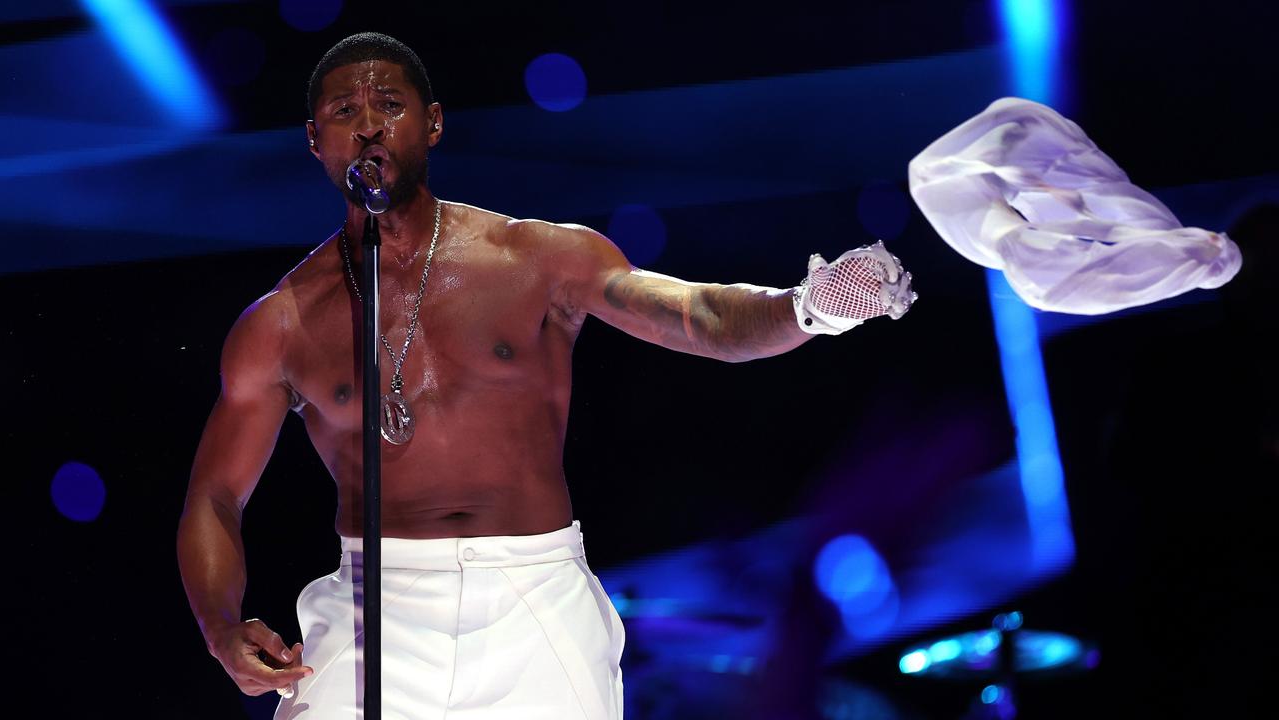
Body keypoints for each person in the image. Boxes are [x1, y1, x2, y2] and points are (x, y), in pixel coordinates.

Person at [176, 32, 915, 720]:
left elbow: (698, 316)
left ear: (432, 123)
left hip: (531, 596)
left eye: (389, 105)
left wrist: (810, 305)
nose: (368, 125)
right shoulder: (280, 323)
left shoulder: (538, 258)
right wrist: (219, 626)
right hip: (373, 608)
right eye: (344, 111)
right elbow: (215, 494)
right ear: (315, 141)